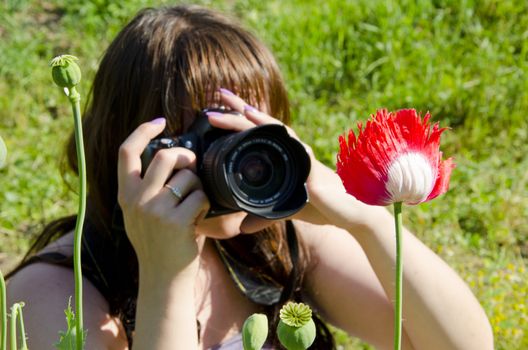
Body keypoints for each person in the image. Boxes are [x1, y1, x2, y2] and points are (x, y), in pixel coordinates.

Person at [6, 5, 493, 350]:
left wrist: (363, 220)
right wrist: (165, 277)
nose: (237, 164)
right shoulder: (54, 295)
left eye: (245, 134)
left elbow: (461, 346)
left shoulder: (275, 241)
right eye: (206, 138)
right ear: (133, 147)